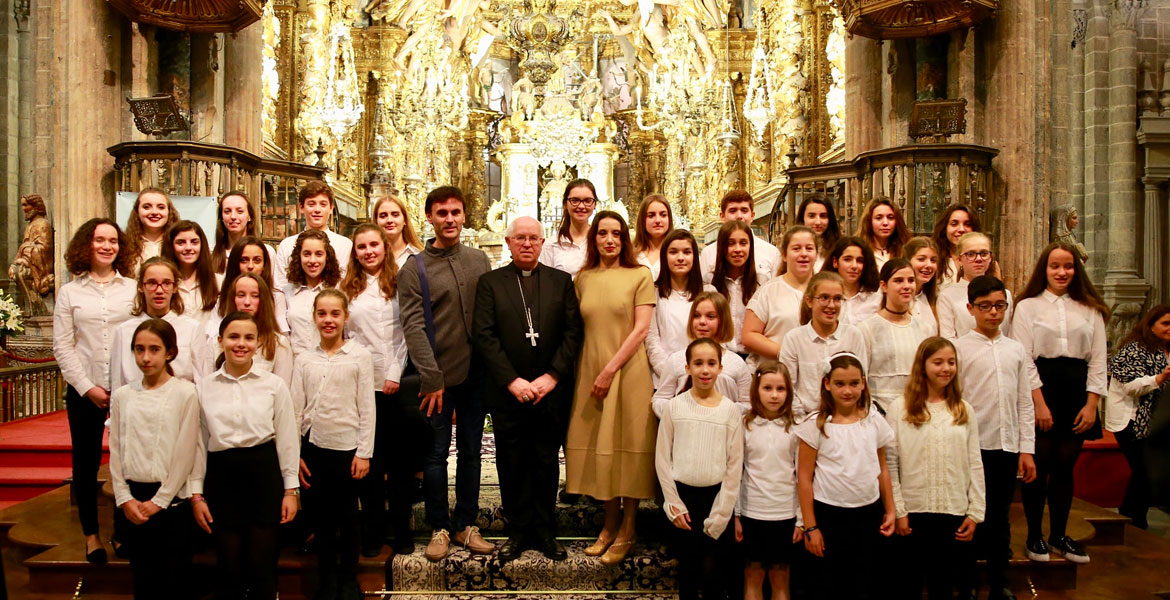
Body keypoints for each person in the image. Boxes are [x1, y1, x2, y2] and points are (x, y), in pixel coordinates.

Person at [473, 216, 584, 563]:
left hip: (550, 391)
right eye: (519, 238)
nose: (526, 244)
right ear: (507, 242)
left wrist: (552, 377)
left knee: (546, 459)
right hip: (509, 392)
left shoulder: (561, 281)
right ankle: (518, 530)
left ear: (542, 242)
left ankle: (545, 528)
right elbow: (484, 335)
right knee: (511, 461)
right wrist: (512, 380)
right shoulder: (491, 282)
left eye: (533, 238)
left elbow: (572, 333)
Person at [398, 186, 494, 561]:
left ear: (464, 216)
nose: (450, 219)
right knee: (436, 455)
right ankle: (439, 525)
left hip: (476, 376)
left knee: (471, 453)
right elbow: (413, 326)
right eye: (442, 213)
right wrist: (431, 376)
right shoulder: (415, 267)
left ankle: (465, 524)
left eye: (456, 212)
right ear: (430, 218)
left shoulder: (478, 260)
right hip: (437, 378)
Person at [567, 210, 657, 566]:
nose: (608, 240)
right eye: (602, 233)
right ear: (594, 239)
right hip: (591, 369)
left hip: (628, 369)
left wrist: (610, 369)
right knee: (600, 446)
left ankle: (629, 527)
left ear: (625, 239)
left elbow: (641, 329)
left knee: (628, 444)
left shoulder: (640, 275)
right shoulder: (583, 278)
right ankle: (609, 523)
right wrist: (591, 372)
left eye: (616, 234)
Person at [190, 312, 300, 600]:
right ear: (220, 341)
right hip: (222, 476)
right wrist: (196, 495)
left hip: (263, 474)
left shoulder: (273, 385)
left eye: (248, 338)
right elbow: (199, 443)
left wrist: (291, 490)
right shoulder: (204, 387)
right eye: (233, 337)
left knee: (262, 564)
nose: (241, 344)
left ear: (259, 342)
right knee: (229, 566)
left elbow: (287, 439)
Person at [1011, 241, 1109, 564]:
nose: (1062, 272)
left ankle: (1059, 536)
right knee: (1038, 466)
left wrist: (1092, 403)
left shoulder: (1090, 308)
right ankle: (1034, 536)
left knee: (1065, 467)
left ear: (1076, 269)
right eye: (1055, 266)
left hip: (1077, 392)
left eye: (1068, 266)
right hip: (1041, 387)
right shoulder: (1027, 307)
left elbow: (1098, 359)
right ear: (1045, 269)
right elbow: (1023, 357)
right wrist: (1038, 402)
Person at [53, 218, 138, 563]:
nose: (107, 246)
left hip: (127, 388)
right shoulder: (69, 291)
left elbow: (139, 337)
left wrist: (125, 386)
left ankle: (123, 531)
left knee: (126, 462)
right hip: (84, 389)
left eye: (113, 241)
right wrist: (87, 387)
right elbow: (62, 345)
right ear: (86, 245)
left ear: (121, 247)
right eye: (100, 240)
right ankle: (91, 535)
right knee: (85, 465)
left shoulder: (132, 289)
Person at [956, 275, 1038, 600]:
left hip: (1005, 446)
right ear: (971, 308)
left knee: (999, 518)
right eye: (985, 306)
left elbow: (1024, 403)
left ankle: (999, 581)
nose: (993, 313)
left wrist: (1026, 450)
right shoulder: (959, 349)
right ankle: (968, 581)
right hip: (971, 448)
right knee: (970, 515)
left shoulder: (1015, 350)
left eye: (999, 306)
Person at [886, 336, 985, 600]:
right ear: (922, 366)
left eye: (951, 362)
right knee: (910, 584)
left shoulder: (963, 409)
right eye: (938, 362)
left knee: (944, 585)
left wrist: (975, 511)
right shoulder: (900, 409)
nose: (946, 368)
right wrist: (898, 510)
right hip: (913, 512)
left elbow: (974, 462)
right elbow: (891, 463)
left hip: (953, 511)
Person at [108, 319, 200, 600]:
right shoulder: (124, 395)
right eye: (139, 350)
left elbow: (186, 453)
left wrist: (160, 501)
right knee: (143, 583)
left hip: (170, 503)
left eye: (154, 349)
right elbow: (116, 450)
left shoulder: (185, 393)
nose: (145, 357)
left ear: (170, 352)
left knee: (172, 583)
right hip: (134, 501)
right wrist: (124, 497)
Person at [292, 289, 375, 599]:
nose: (328, 320)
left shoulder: (359, 356)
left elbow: (367, 407)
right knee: (322, 520)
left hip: (348, 449)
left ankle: (349, 580)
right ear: (314, 317)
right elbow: (295, 408)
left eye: (335, 314)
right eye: (322, 314)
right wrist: (296, 453)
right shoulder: (304, 359)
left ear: (345, 317)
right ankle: (327, 580)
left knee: (349, 518)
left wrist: (364, 452)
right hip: (313, 448)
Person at [796, 353, 896, 600]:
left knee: (863, 582)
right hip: (829, 515)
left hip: (868, 514)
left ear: (863, 383)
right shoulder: (816, 424)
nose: (848, 391)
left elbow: (882, 467)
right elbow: (804, 479)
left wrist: (891, 510)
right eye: (840, 384)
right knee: (829, 584)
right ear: (827, 384)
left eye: (854, 383)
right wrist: (811, 527)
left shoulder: (873, 420)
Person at [341, 224, 412, 556]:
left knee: (399, 463)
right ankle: (372, 530)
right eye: (362, 247)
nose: (368, 251)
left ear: (385, 247)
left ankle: (401, 529)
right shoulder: (347, 289)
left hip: (394, 382)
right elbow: (345, 335)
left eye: (374, 245)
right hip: (360, 384)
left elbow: (405, 333)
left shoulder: (400, 282)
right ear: (355, 252)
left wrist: (395, 373)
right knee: (368, 462)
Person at [656, 338, 744, 600]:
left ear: (720, 368)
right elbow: (662, 459)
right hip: (684, 501)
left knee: (714, 576)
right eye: (698, 363)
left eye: (711, 363)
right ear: (687, 368)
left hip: (717, 500)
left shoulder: (730, 412)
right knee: (688, 573)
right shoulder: (674, 407)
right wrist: (673, 504)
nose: (705, 370)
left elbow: (734, 466)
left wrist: (723, 512)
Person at [735, 361, 801, 600]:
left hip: (785, 514)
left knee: (780, 577)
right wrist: (737, 514)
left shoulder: (796, 428)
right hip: (753, 512)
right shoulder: (744, 426)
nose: (774, 395)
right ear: (756, 390)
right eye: (767, 388)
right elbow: (736, 473)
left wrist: (801, 519)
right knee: (753, 576)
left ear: (789, 392)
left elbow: (801, 477)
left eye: (780, 389)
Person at [1107, 304, 1170, 531]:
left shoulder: (1166, 350)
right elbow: (1130, 387)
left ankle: (1132, 516)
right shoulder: (1134, 349)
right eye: (1165, 323)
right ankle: (1133, 519)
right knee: (1143, 470)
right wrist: (1159, 379)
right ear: (1150, 325)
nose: (1169, 328)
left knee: (1147, 472)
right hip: (1130, 419)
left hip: (1157, 421)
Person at [779, 271, 868, 420]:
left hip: (845, 419)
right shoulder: (794, 339)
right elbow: (788, 387)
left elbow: (860, 383)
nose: (831, 305)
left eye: (837, 299)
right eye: (824, 298)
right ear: (809, 301)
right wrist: (806, 421)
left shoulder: (854, 335)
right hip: (805, 420)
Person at [653, 291, 753, 416]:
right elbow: (660, 399)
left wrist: (724, 413)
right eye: (696, 315)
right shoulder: (677, 359)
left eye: (710, 316)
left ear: (723, 321)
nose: (702, 322)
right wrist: (680, 411)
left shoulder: (737, 363)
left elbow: (748, 404)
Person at [110, 257, 203, 389]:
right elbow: (117, 384)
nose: (159, 291)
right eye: (152, 283)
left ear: (175, 287)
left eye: (166, 283)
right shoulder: (124, 330)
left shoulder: (192, 328)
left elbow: (202, 380)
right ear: (141, 287)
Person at [858, 259, 933, 413]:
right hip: (879, 412)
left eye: (911, 280)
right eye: (898, 281)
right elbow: (860, 377)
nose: (906, 286)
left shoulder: (925, 329)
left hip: (917, 410)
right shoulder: (867, 329)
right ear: (884, 286)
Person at [741, 226, 817, 367]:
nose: (803, 253)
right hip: (773, 373)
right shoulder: (769, 291)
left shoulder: (825, 290)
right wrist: (787, 353)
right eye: (796, 249)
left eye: (809, 248)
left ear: (817, 254)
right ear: (784, 255)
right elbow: (749, 335)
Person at [203, 273, 294, 386]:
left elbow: (283, 390)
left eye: (255, 296)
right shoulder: (215, 342)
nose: (247, 302)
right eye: (241, 295)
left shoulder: (279, 344)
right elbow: (206, 387)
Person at [646, 229, 704, 385]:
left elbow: (717, 338)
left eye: (686, 252)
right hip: (663, 379)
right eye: (673, 252)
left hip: (702, 378)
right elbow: (651, 339)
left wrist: (696, 372)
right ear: (665, 257)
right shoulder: (653, 293)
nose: (680, 258)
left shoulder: (708, 292)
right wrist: (670, 372)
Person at [275, 180, 352, 289]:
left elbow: (346, 285)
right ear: (301, 208)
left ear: (331, 209)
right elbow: (279, 288)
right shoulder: (287, 245)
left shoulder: (345, 245)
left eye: (323, 204)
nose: (317, 210)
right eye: (311, 204)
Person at [938, 232, 1014, 339]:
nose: (978, 259)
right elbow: (948, 338)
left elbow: (1009, 333)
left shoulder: (1006, 295)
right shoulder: (948, 296)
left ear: (990, 258)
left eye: (984, 254)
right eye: (971, 254)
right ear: (960, 260)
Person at [699, 190, 780, 284]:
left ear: (752, 215)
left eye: (744, 210)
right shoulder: (709, 253)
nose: (739, 216)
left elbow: (775, 291)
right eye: (733, 211)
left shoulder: (771, 252)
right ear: (722, 216)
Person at [283, 229, 342, 355]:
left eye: (319, 254)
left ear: (327, 257)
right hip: (296, 365)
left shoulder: (339, 290)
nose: (312, 260)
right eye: (307, 254)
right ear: (299, 256)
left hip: (329, 364)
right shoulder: (288, 292)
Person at [708, 220, 760, 356]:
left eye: (743, 243)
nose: (737, 249)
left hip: (753, 357)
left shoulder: (762, 283)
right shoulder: (709, 283)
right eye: (731, 243)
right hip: (719, 355)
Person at [219, 235, 289, 332]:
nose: (250, 266)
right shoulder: (223, 298)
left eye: (257, 260)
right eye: (244, 260)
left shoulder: (277, 297)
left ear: (264, 265)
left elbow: (281, 335)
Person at [162, 221, 221, 327]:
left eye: (194, 242)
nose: (188, 247)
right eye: (181, 242)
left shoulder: (219, 282)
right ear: (171, 246)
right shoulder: (163, 284)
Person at [539, 178, 597, 278]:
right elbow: (547, 284)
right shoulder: (551, 244)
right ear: (566, 204)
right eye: (575, 200)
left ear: (595, 204)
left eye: (588, 201)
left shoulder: (600, 241)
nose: (581, 206)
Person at [211, 190, 275, 275]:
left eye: (240, 211)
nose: (233, 216)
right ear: (221, 217)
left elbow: (271, 286)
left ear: (249, 216)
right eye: (227, 211)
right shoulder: (210, 253)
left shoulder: (267, 252)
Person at [821, 236, 882, 327]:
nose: (854, 266)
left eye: (860, 261)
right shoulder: (822, 298)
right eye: (847, 259)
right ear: (835, 262)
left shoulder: (876, 298)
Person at [124, 187, 179, 272]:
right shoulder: (124, 246)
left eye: (160, 207)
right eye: (146, 207)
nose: (154, 212)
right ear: (137, 211)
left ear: (169, 211)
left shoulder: (180, 245)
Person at [931, 204, 977, 291]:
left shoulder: (987, 262)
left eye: (967, 224)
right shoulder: (934, 260)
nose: (961, 229)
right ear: (945, 228)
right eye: (954, 224)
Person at [856, 197, 909, 270]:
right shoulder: (859, 250)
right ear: (869, 221)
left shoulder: (905, 249)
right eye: (879, 218)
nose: (885, 223)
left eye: (890, 218)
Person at [371, 195, 424, 269]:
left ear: (404, 220)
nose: (389, 220)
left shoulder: (418, 255)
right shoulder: (370, 256)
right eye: (383, 216)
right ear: (376, 221)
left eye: (395, 215)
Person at [797, 193, 841, 273]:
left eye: (823, 216)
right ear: (802, 218)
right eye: (811, 216)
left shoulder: (839, 248)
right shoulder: (793, 248)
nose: (818, 222)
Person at [904, 236, 939, 335]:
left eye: (933, 260)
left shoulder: (934, 300)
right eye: (921, 259)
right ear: (907, 261)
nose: (929, 265)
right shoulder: (891, 297)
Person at [633, 193, 673, 279]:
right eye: (651, 215)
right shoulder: (631, 255)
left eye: (663, 215)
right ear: (643, 220)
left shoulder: (677, 253)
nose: (658, 220)